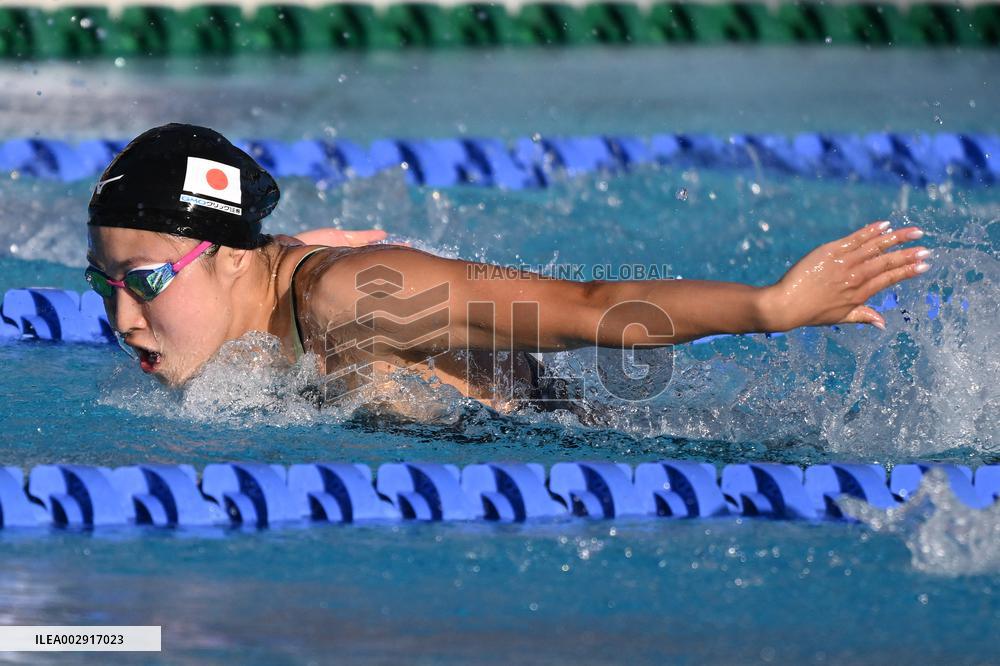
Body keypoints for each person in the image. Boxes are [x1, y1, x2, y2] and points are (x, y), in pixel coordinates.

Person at [85, 123, 931, 417]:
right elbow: (242, 268)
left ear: (233, 258)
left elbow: (587, 308)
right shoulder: (248, 288)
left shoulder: (355, 296)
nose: (122, 321)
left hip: (594, 456)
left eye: (145, 282)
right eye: (106, 284)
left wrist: (771, 306)